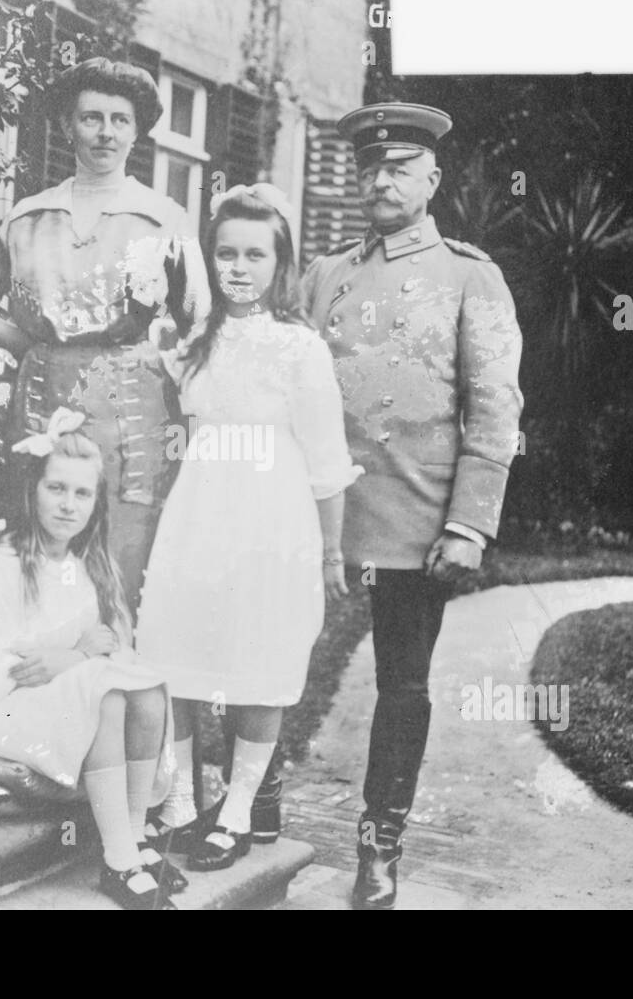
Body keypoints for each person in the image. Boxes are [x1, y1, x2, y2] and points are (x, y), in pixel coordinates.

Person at [301, 103, 524, 909]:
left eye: (400, 167)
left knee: (402, 687)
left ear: (432, 180)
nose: (382, 180)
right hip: (321, 516)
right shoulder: (324, 274)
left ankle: (377, 849)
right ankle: (253, 811)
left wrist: (469, 522)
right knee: (278, 663)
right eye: (371, 167)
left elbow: (497, 405)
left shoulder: (470, 275)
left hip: (414, 519)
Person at [135, 184, 361, 872]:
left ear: (280, 263)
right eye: (226, 253)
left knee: (257, 664)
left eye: (255, 254)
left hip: (272, 518)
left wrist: (328, 552)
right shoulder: (195, 342)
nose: (239, 267)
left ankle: (236, 815)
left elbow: (326, 463)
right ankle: (177, 803)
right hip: (199, 512)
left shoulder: (300, 348)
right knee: (173, 655)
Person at [0, 57, 208, 617]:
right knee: (42, 564)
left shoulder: (163, 219)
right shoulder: (28, 217)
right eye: (90, 118)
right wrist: (22, 341)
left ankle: (112, 690)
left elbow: (200, 322)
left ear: (138, 131)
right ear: (67, 126)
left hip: (134, 423)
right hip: (42, 404)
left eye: (119, 119)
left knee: (119, 572)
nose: (105, 132)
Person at [0, 408, 181, 910]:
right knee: (108, 698)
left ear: (96, 505)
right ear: (33, 490)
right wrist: (71, 655)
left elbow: (115, 651)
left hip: (64, 696)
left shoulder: (90, 566)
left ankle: (134, 841)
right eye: (56, 489)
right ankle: (119, 865)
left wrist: (70, 661)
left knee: (144, 692)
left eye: (82, 494)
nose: (68, 506)